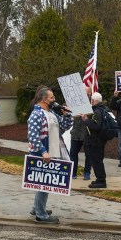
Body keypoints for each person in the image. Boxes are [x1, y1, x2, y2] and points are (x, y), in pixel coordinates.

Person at [27, 87, 73, 223]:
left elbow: (63, 127)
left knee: (42, 183)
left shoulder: (51, 112)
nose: (54, 100)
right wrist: (43, 152)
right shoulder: (37, 114)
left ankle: (36, 208)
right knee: (44, 184)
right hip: (42, 154)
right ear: (44, 99)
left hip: (51, 152)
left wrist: (66, 115)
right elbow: (33, 136)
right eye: (52, 98)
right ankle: (41, 215)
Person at [80, 92, 108, 188]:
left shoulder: (97, 111)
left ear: (96, 101)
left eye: (92, 100)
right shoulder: (102, 109)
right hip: (99, 140)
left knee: (96, 161)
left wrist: (86, 120)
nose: (91, 101)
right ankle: (99, 179)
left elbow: (96, 126)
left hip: (96, 141)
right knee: (97, 160)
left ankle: (101, 181)